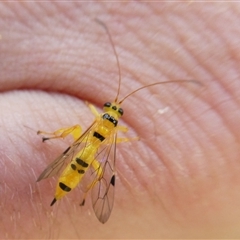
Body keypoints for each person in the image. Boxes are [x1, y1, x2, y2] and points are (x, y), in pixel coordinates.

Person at [0, 2, 239, 238]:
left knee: (74, 133)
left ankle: (76, 188)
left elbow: (86, 129)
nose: (110, 111)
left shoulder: (97, 122)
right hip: (89, 158)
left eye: (111, 110)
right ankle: (83, 195)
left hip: (81, 152)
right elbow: (120, 140)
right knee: (100, 171)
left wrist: (55, 133)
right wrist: (132, 136)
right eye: (111, 110)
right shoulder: (112, 134)